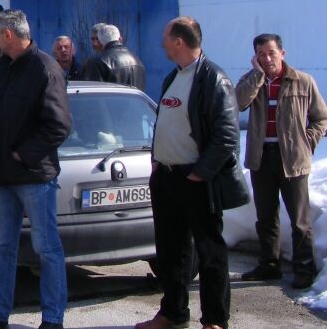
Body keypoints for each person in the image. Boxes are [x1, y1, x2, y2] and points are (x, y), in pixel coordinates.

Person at [135, 16, 239, 329]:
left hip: (196, 180)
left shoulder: (213, 79)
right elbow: (166, 123)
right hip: (167, 178)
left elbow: (226, 136)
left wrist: (199, 174)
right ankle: (173, 313)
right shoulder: (174, 76)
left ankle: (215, 320)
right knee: (171, 252)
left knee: (209, 251)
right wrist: (157, 160)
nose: (162, 44)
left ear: (179, 42)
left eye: (166, 38)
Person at [0, 9, 71, 329]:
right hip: (0, 175)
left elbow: (59, 125)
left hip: (33, 176)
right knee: (2, 247)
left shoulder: (45, 68)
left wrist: (22, 155)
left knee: (47, 248)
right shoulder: (5, 68)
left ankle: (52, 319)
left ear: (8, 35)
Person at [235, 33, 327, 290]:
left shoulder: (302, 81)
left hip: (293, 159)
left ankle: (304, 269)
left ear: (282, 54)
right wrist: (257, 75)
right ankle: (269, 264)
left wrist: (307, 141)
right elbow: (237, 103)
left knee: (300, 220)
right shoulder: (251, 80)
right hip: (261, 157)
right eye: (261, 55)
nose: (267, 59)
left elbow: (321, 118)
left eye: (271, 53)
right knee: (265, 216)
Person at [82, 24, 146, 91]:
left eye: (97, 39)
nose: (95, 44)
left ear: (101, 41)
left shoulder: (97, 61)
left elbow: (93, 92)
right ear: (120, 39)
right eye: (93, 39)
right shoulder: (137, 60)